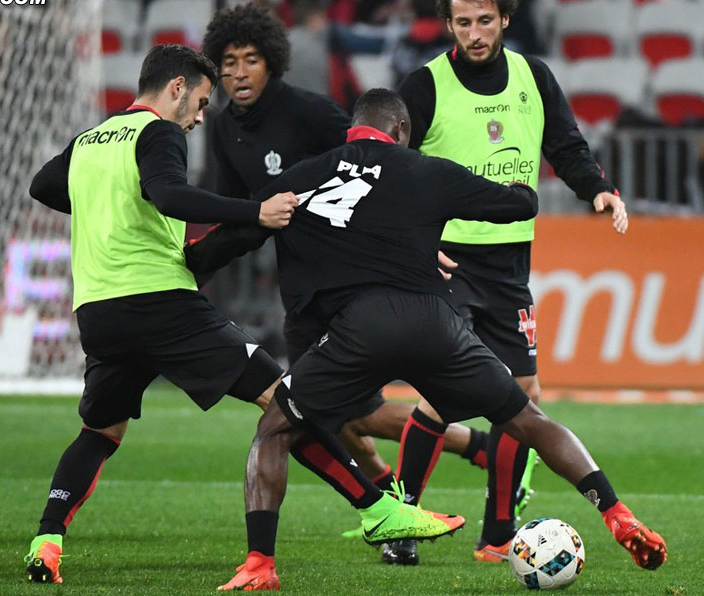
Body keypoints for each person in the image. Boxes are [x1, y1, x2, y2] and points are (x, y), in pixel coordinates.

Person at [22, 44, 457, 585]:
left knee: (99, 431)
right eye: (201, 101)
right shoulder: (157, 132)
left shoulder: (93, 139)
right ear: (176, 89)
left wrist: (106, 202)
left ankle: (47, 539)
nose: (202, 116)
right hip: (161, 302)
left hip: (98, 310)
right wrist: (256, 210)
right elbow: (169, 195)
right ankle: (379, 510)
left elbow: (43, 184)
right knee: (286, 401)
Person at [198, 89, 665, 590]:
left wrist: (185, 265)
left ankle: (261, 564)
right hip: (435, 322)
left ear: (352, 128)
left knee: (275, 430)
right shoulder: (427, 170)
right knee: (528, 418)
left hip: (357, 331)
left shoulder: (301, 178)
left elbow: (236, 234)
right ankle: (616, 512)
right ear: (401, 132)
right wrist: (515, 187)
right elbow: (516, 206)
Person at [202, 7, 496, 560]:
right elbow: (230, 209)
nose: (239, 74)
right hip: (301, 286)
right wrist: (193, 262)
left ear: (273, 64)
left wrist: (415, 243)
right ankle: (408, 492)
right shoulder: (221, 128)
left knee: (329, 410)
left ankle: (456, 460)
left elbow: (379, 170)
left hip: (351, 283)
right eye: (228, 64)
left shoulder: (311, 113)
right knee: (335, 413)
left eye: (251, 61)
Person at [396, 0, 629, 563]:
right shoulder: (424, 85)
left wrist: (596, 189)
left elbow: (566, 145)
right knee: (443, 396)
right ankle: (400, 527)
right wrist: (415, 244)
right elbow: (392, 173)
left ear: (504, 19)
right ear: (448, 25)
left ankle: (497, 534)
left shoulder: (534, 77)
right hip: (446, 259)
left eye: (484, 20)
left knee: (521, 392)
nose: (474, 33)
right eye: (462, 22)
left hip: (508, 262)